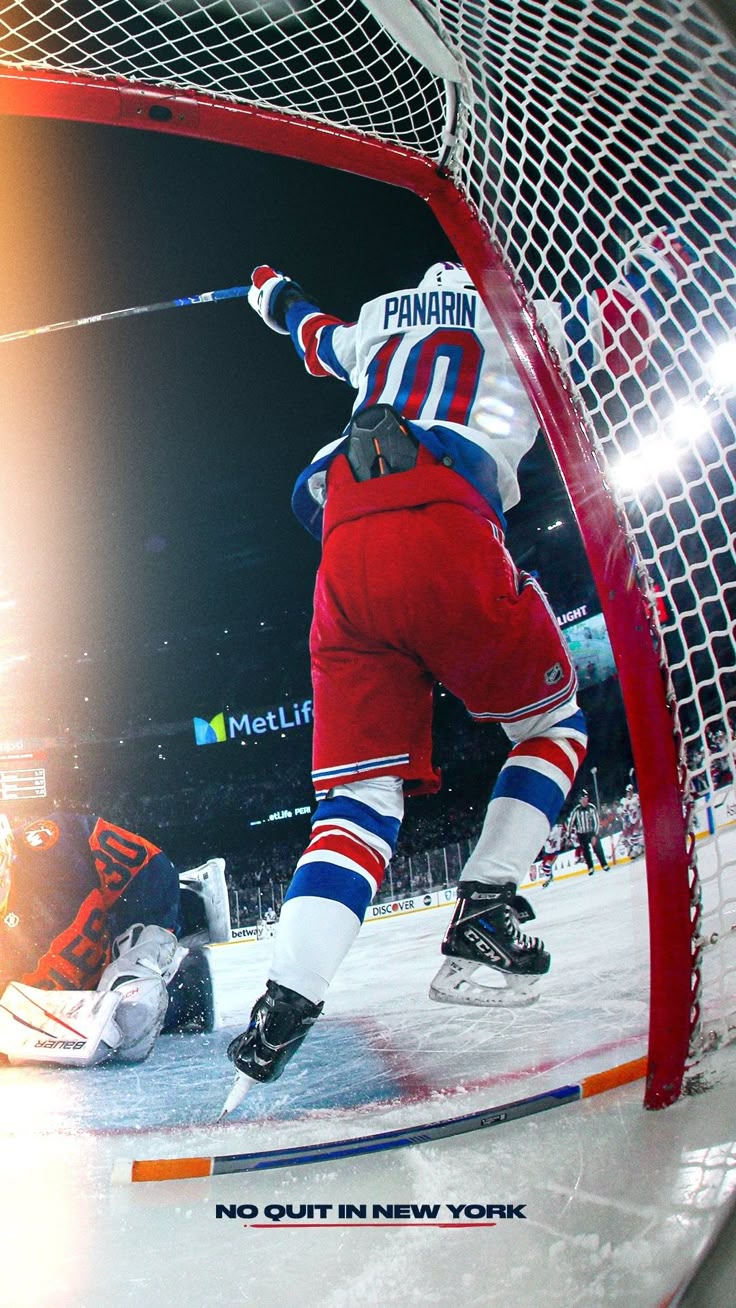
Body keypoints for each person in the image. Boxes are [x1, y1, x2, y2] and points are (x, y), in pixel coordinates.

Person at [223, 234, 692, 1109]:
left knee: (357, 804)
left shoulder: (379, 321)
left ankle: (285, 1000)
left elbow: (312, 334)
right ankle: (486, 904)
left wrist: (268, 288)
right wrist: (663, 259)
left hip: (344, 537)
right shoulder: (520, 314)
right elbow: (627, 327)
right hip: (447, 512)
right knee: (552, 726)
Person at [0, 809, 231, 1066]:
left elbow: (146, 864)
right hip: (60, 1004)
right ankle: (184, 992)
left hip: (114, 947)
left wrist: (145, 950)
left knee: (137, 1001)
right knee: (122, 1023)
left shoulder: (56, 842)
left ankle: (187, 946)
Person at [566, 790, 610, 876]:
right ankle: (590, 867)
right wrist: (568, 835)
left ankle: (604, 864)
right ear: (580, 800)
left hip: (591, 832)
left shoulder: (592, 808)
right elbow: (571, 823)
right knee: (586, 852)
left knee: (598, 848)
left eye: (585, 798)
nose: (584, 800)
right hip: (581, 834)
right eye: (582, 799)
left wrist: (595, 835)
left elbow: (596, 822)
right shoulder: (576, 810)